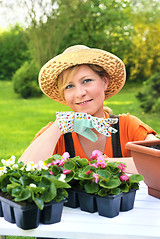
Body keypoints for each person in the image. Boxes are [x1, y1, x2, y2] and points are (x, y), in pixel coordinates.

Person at [19, 45, 157, 174]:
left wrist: (107, 163)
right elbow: (23, 171)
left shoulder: (128, 127)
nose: (79, 93)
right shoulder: (55, 134)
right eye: (69, 86)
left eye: (86, 81)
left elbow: (157, 163)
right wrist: (59, 125)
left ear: (105, 82)